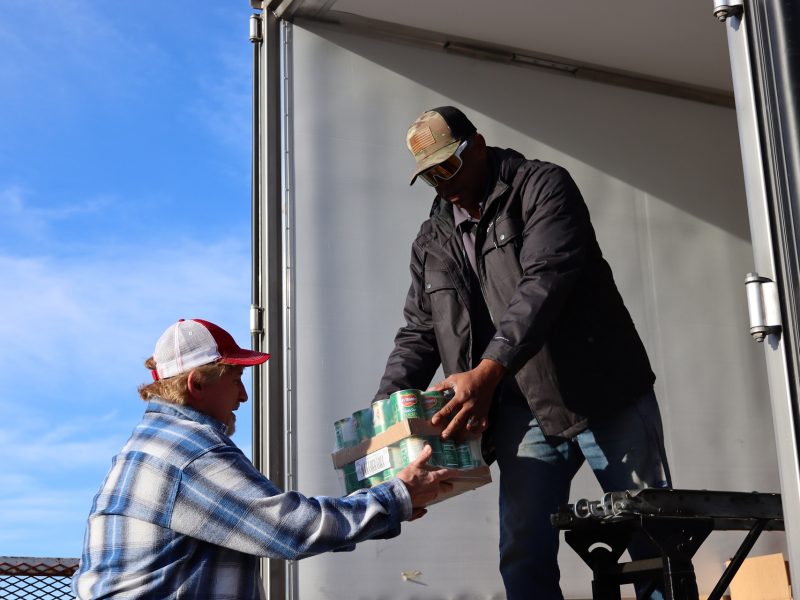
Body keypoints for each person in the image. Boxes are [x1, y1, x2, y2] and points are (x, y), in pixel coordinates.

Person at [374, 106, 672, 600]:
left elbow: (545, 281)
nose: (442, 182)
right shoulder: (431, 239)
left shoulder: (543, 186)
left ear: (478, 144)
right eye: (429, 175)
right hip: (522, 411)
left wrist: (488, 370)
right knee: (523, 550)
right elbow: (419, 332)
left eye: (448, 165)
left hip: (603, 392)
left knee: (651, 535)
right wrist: (385, 415)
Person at [72, 318, 456, 599]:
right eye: (236, 379)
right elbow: (290, 528)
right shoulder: (190, 452)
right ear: (197, 384)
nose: (243, 396)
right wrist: (396, 498)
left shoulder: (149, 446)